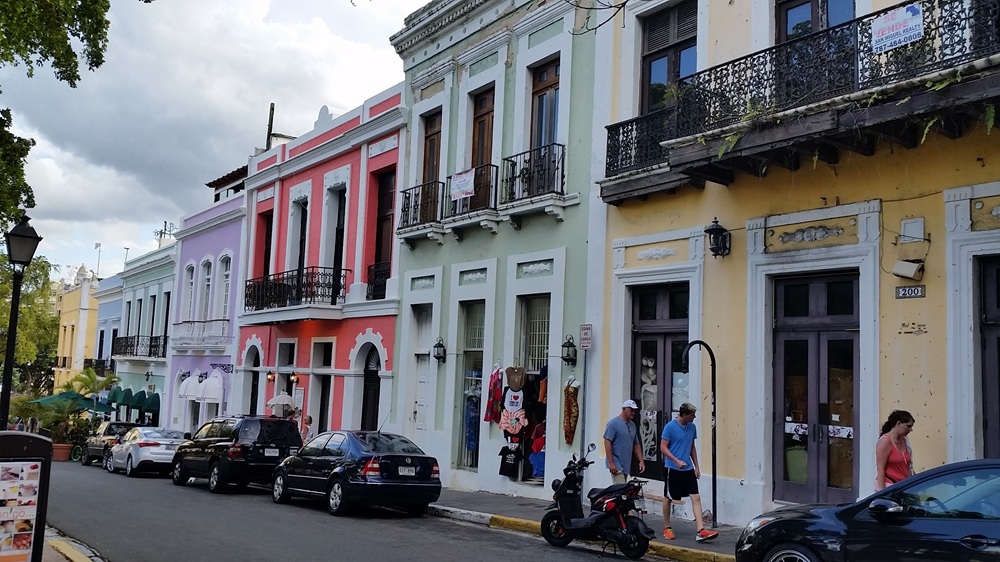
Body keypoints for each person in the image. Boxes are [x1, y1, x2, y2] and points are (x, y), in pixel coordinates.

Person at [660, 402, 718, 542]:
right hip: (672, 468)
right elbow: (663, 447)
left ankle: (700, 530)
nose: (695, 417)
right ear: (684, 415)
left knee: (696, 497)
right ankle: (667, 527)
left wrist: (696, 466)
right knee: (668, 497)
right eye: (692, 414)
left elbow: (692, 447)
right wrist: (676, 461)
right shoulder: (670, 427)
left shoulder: (692, 427)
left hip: (688, 469)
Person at [603, 399, 645, 484]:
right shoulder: (613, 424)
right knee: (621, 489)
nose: (633, 413)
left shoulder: (632, 425)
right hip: (616, 463)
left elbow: (636, 444)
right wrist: (611, 463)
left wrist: (641, 460)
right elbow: (607, 442)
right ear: (624, 409)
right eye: (631, 410)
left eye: (634, 411)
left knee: (622, 490)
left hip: (626, 464)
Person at [875, 409, 914, 490]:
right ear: (898, 423)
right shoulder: (885, 441)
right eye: (908, 426)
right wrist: (882, 492)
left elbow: (909, 467)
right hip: (889, 486)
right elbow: (880, 469)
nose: (910, 430)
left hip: (903, 486)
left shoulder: (905, 440)